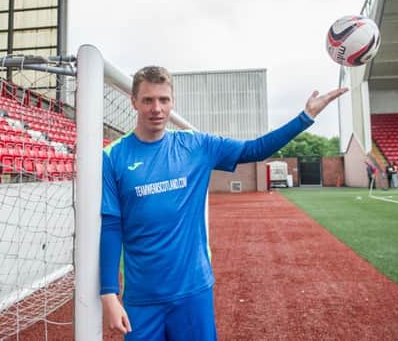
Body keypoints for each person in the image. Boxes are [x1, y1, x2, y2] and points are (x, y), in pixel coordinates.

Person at [100, 66, 347, 340]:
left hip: (193, 291)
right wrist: (109, 293)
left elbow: (254, 149)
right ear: (133, 101)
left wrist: (306, 116)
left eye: (164, 100)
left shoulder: (196, 146)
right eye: (148, 100)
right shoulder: (112, 157)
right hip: (143, 297)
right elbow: (112, 226)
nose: (156, 108)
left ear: (172, 101)